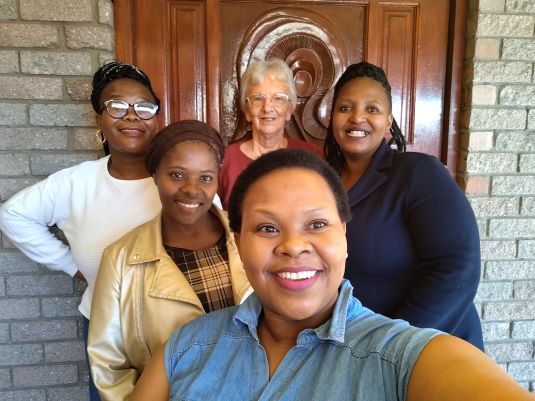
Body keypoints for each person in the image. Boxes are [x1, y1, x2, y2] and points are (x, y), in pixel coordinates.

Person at [130, 149, 533, 401]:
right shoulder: (186, 347)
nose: (293, 245)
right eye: (267, 228)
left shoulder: (403, 359)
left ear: (344, 236)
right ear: (239, 243)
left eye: (317, 224)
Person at [0, 61, 163, 401]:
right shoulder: (76, 182)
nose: (132, 116)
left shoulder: (178, 178)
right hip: (107, 326)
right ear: (99, 120)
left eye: (144, 107)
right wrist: (71, 265)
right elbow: (13, 214)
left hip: (174, 323)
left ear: (156, 118)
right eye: (117, 106)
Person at [88, 120, 251, 401]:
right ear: (154, 175)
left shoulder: (248, 236)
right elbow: (109, 367)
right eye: (177, 175)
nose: (191, 189)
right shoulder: (121, 258)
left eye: (205, 178)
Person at [324, 62, 483, 349]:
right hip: (352, 345)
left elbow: (457, 268)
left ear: (388, 121)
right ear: (332, 117)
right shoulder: (323, 182)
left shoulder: (419, 173)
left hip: (425, 346)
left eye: (372, 109)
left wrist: (392, 344)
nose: (357, 117)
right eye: (345, 108)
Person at [218, 57, 323, 209]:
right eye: (258, 98)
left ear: (289, 109)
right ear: (247, 111)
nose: (267, 108)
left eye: (278, 98)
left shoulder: (312, 157)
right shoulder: (227, 160)